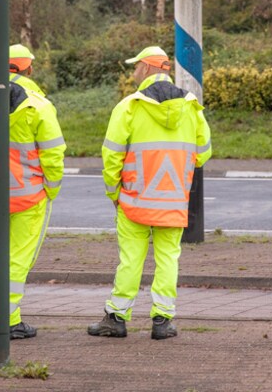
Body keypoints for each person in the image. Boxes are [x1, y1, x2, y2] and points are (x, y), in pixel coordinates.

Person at [87, 46, 212, 340]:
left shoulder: (129, 107)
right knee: (168, 258)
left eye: (135, 67)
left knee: (131, 259)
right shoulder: (191, 107)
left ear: (145, 68)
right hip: (173, 200)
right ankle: (163, 321)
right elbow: (204, 152)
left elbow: (111, 156)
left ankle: (116, 318)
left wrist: (114, 193)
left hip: (134, 200)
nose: (133, 73)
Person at [0, 43, 66, 339]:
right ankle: (9, 321)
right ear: (29, 68)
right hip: (29, 197)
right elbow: (53, 155)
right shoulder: (39, 106)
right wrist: (51, 190)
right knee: (18, 259)